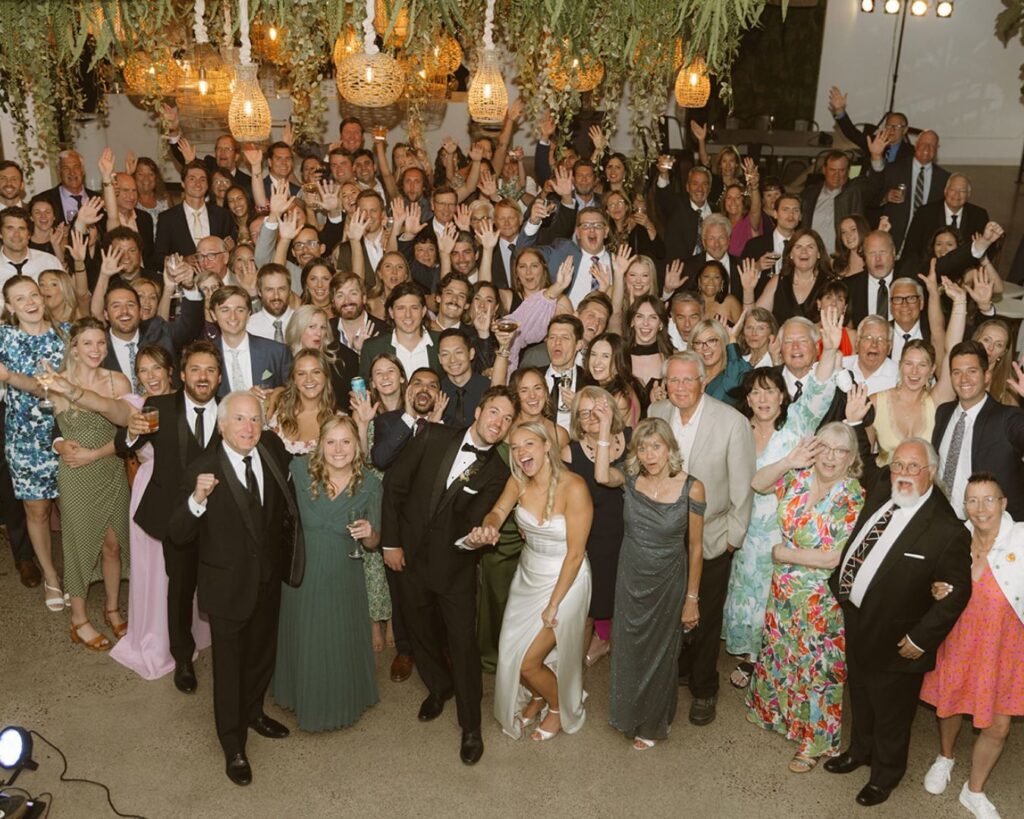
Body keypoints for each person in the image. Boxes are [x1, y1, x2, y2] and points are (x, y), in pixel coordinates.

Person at [824, 438, 971, 808]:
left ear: (931, 473)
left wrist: (921, 639)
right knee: (861, 695)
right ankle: (860, 751)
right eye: (898, 465)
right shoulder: (882, 491)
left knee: (891, 712)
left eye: (913, 467)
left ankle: (885, 775)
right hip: (858, 619)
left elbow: (956, 594)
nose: (903, 474)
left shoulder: (947, 529)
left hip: (899, 638)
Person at [166, 391, 299, 786]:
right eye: (239, 419)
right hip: (225, 587)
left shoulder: (272, 451)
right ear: (222, 426)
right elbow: (177, 532)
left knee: (261, 655)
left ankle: (254, 712)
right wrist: (197, 498)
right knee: (227, 668)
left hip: (266, 581)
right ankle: (233, 743)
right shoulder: (203, 467)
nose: (248, 427)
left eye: (255, 419)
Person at [380, 387, 516, 765]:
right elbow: (395, 487)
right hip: (407, 558)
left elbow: (478, 520)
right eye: (494, 412)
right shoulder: (434, 435)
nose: (498, 423)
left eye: (506, 419)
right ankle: (439, 687)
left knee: (462, 645)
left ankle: (471, 725)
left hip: (454, 568)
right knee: (420, 632)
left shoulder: (498, 473)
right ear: (478, 411)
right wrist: (390, 543)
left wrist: (477, 538)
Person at [723, 307, 843, 689]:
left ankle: (773, 662)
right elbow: (750, 484)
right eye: (755, 392)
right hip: (746, 529)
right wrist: (787, 464)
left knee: (776, 597)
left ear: (782, 397)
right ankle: (749, 659)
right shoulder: (737, 429)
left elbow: (821, 390)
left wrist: (829, 350)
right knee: (745, 595)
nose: (762, 398)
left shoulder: (797, 426)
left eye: (769, 391)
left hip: (782, 531)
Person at [746, 421, 865, 772]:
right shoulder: (796, 478)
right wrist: (789, 460)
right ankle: (783, 718)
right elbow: (757, 483)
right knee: (783, 653)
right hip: (783, 592)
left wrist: (784, 554)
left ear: (851, 458)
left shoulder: (852, 495)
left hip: (820, 598)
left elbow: (832, 557)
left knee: (818, 667)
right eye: (824, 447)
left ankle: (814, 742)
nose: (830, 456)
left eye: (840, 450)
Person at [468, 421, 593, 741]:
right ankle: (537, 695)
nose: (522, 452)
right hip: (528, 576)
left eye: (529, 444)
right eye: (516, 447)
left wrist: (554, 604)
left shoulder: (574, 487)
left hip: (566, 579)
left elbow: (576, 554)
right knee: (512, 647)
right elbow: (497, 511)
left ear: (546, 446)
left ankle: (557, 706)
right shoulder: (517, 482)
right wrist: (490, 526)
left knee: (527, 661)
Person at [648, 351, 755, 725]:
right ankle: (678, 667)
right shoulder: (656, 415)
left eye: (687, 379)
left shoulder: (732, 422)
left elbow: (743, 487)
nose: (679, 387)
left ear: (702, 380)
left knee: (705, 615)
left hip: (712, 536)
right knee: (671, 609)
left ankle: (704, 688)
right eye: (673, 380)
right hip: (665, 536)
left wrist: (732, 538)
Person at [593, 408, 704, 750]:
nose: (649, 455)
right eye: (642, 448)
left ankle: (653, 721)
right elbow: (600, 475)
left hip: (668, 578)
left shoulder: (692, 487)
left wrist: (691, 599)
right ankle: (629, 712)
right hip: (630, 575)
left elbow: (696, 547)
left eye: (656, 447)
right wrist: (603, 428)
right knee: (629, 648)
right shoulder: (630, 480)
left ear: (670, 448)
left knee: (660, 651)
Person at [920, 474, 1024, 818]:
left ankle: (973, 789)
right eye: (972, 500)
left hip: (1004, 649)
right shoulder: (954, 538)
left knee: (998, 725)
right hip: (959, 640)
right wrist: (935, 588)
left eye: (989, 499)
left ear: (1004, 503)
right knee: (949, 705)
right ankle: (945, 757)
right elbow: (930, 578)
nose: (980, 509)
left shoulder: (1021, 540)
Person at [110, 344, 213, 680]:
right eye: (195, 369)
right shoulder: (159, 407)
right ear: (181, 375)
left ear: (219, 377)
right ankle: (182, 658)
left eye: (210, 370)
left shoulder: (229, 411)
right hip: (174, 516)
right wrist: (132, 432)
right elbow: (126, 446)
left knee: (214, 584)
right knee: (179, 589)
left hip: (216, 519)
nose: (202, 376)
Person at [272, 414, 380, 732]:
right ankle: (300, 694)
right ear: (320, 445)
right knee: (306, 635)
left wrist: (370, 532)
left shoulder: (371, 484)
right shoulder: (299, 470)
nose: (338, 449)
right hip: (302, 573)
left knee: (338, 636)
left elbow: (375, 541)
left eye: (346, 441)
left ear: (357, 446)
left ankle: (342, 699)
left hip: (344, 573)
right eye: (330, 441)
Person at [48, 318, 137, 650]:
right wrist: (59, 445)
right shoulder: (57, 382)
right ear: (74, 347)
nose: (96, 350)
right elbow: (52, 428)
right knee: (78, 545)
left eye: (101, 343)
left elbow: (129, 429)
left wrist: (94, 454)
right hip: (76, 474)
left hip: (110, 466)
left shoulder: (118, 381)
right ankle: (79, 620)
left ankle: (113, 608)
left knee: (113, 544)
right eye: (88, 343)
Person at [0, 276, 69, 608]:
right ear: (10, 307)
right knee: (37, 509)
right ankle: (51, 578)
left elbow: (64, 387)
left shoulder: (65, 334)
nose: (30, 302)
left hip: (66, 432)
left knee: (71, 509)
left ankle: (83, 573)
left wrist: (12, 378)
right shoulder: (5, 337)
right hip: (24, 439)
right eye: (20, 298)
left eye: (34, 295)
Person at [563, 387, 630, 668]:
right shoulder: (570, 452)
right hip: (590, 538)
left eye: (597, 411)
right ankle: (573, 674)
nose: (591, 417)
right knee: (587, 606)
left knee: (624, 600)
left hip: (628, 535)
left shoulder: (631, 438)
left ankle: (609, 642)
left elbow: (613, 480)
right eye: (583, 413)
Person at [935, 341, 1024, 521]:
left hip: (994, 528)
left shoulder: (1008, 418)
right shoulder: (943, 412)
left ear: (987, 375)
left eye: (972, 371)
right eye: (957, 372)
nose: (964, 379)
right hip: (943, 521)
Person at [870, 340, 940, 466]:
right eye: (909, 363)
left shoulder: (936, 402)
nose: (914, 371)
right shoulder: (875, 402)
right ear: (900, 365)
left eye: (922, 365)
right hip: (883, 482)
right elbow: (862, 457)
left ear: (932, 369)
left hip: (925, 483)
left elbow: (948, 344)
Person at [284, 304, 360, 414]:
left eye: (323, 327)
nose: (319, 333)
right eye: (312, 327)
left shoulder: (343, 358)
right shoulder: (284, 358)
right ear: (298, 328)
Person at [266, 349, 337, 455]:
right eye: (301, 374)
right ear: (294, 379)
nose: (309, 379)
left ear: (326, 376)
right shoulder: (276, 406)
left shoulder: (337, 420)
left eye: (316, 372)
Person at [689, 318, 751, 405]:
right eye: (698, 343)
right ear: (693, 348)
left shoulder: (734, 373)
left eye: (711, 341)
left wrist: (732, 339)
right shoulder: (689, 376)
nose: (705, 347)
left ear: (723, 343)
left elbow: (734, 385)